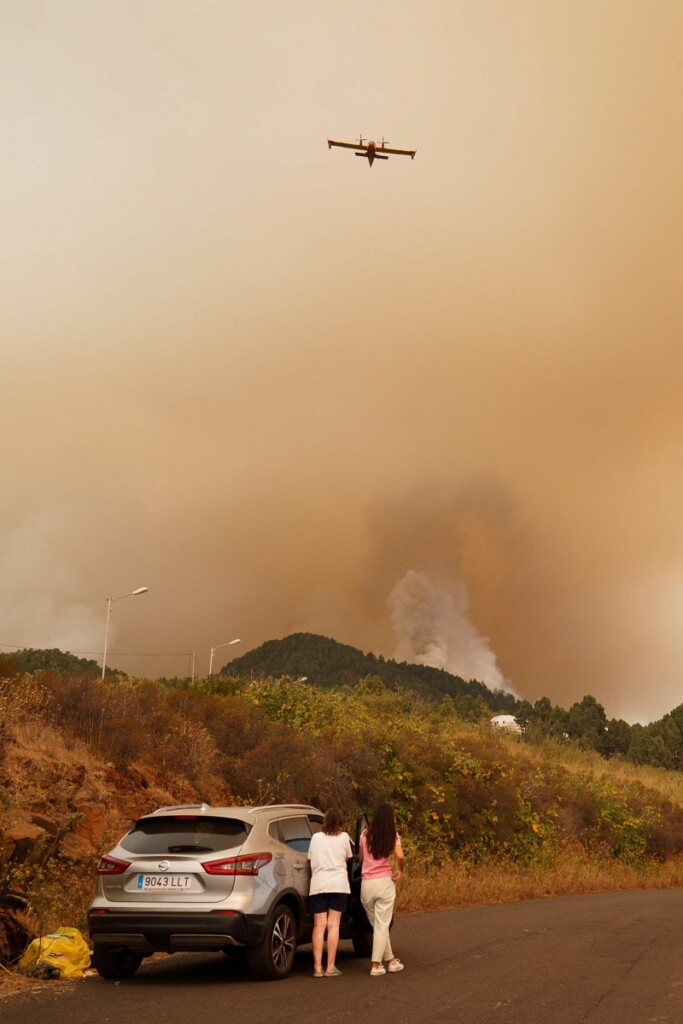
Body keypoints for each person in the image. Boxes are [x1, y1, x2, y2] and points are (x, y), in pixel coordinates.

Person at [359, 802, 405, 976]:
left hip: (366, 885)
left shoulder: (364, 834)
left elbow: (361, 859)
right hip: (383, 883)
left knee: (379, 926)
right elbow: (400, 856)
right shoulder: (392, 835)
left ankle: (391, 961)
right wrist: (399, 870)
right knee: (381, 926)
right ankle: (376, 965)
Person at [308, 807, 353, 978]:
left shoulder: (316, 838)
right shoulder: (344, 837)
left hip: (319, 884)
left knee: (319, 925)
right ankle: (330, 966)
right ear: (340, 822)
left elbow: (310, 857)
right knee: (334, 925)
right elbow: (348, 857)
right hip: (338, 884)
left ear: (324, 821)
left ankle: (317, 967)